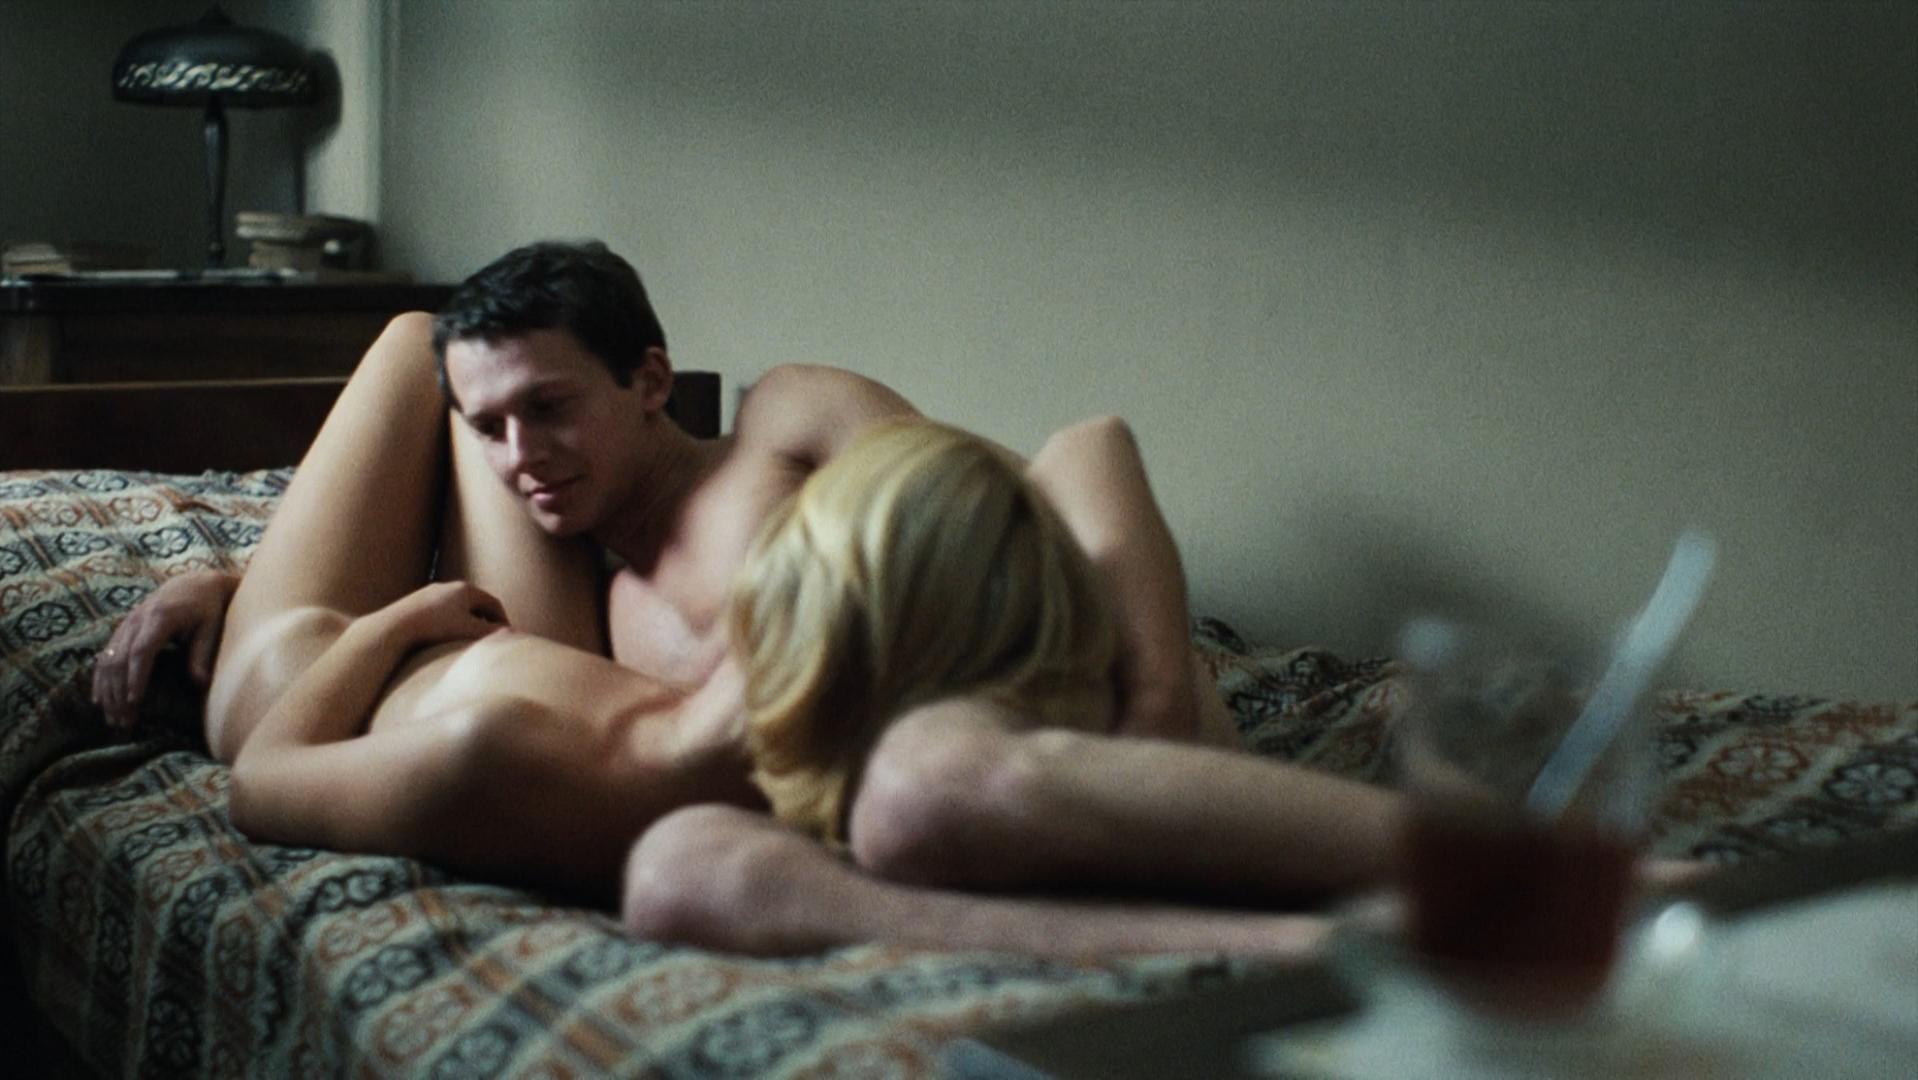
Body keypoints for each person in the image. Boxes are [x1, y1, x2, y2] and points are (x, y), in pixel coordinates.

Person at [92, 240, 1401, 951]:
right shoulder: (577, 595)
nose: (520, 459)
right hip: (333, 677)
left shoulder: (787, 428)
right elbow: (281, 770)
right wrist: (252, 580)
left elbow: (1057, 472)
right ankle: (267, 559)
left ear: (652, 383)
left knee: (442, 353)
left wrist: (1158, 707)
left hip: (519, 685)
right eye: (498, 430)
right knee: (420, 343)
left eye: (553, 410)